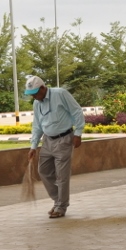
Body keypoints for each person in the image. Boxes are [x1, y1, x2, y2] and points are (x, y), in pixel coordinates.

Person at [25, 75, 85, 218]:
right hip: (47, 141)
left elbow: (76, 111)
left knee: (62, 176)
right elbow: (37, 125)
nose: (34, 97)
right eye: (31, 95)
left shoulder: (60, 94)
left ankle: (61, 207)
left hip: (64, 139)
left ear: (42, 88)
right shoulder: (37, 103)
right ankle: (58, 200)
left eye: (35, 93)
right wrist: (33, 146)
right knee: (43, 171)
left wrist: (78, 133)